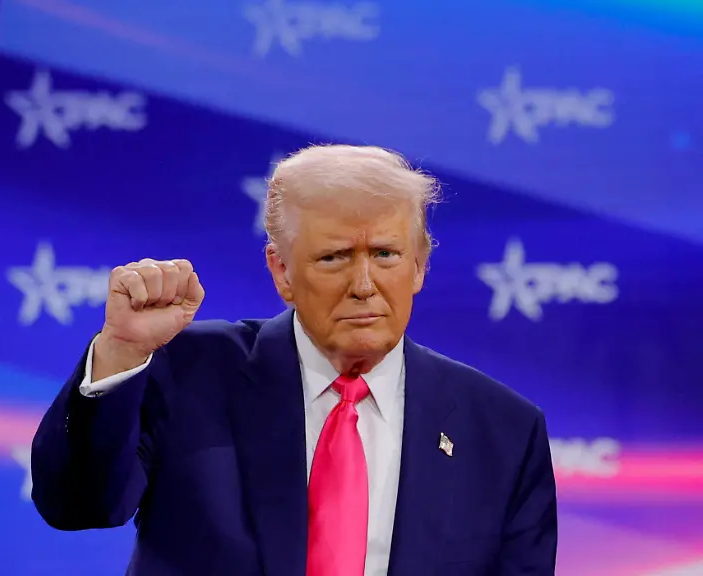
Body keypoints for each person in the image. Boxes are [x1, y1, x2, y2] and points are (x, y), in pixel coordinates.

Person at [30, 144, 558, 575]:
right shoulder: (189, 372)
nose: (364, 285)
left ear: (419, 266)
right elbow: (76, 505)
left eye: (385, 254)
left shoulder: (503, 431)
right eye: (334, 257)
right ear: (281, 271)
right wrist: (122, 351)